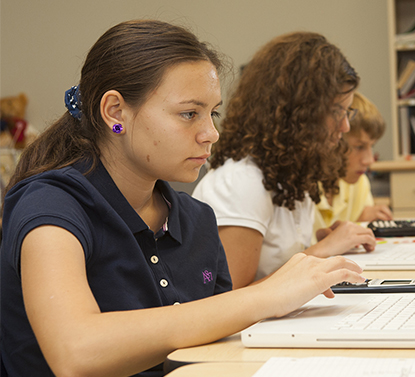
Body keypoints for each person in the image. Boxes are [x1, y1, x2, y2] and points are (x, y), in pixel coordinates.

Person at [0, 20, 365, 377]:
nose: (211, 134)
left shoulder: (196, 219)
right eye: (189, 114)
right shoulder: (50, 206)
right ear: (115, 112)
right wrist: (264, 297)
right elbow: (76, 352)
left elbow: (219, 346)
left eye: (213, 113)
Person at [192, 32, 376, 289]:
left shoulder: (288, 171)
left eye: (347, 112)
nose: (345, 126)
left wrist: (317, 245)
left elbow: (275, 267)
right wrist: (321, 251)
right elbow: (229, 299)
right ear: (298, 114)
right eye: (336, 112)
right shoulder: (241, 182)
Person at [313, 91, 393, 236]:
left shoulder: (360, 183)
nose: (369, 160)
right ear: (334, 140)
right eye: (359, 147)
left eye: (372, 146)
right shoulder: (301, 189)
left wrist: (361, 225)